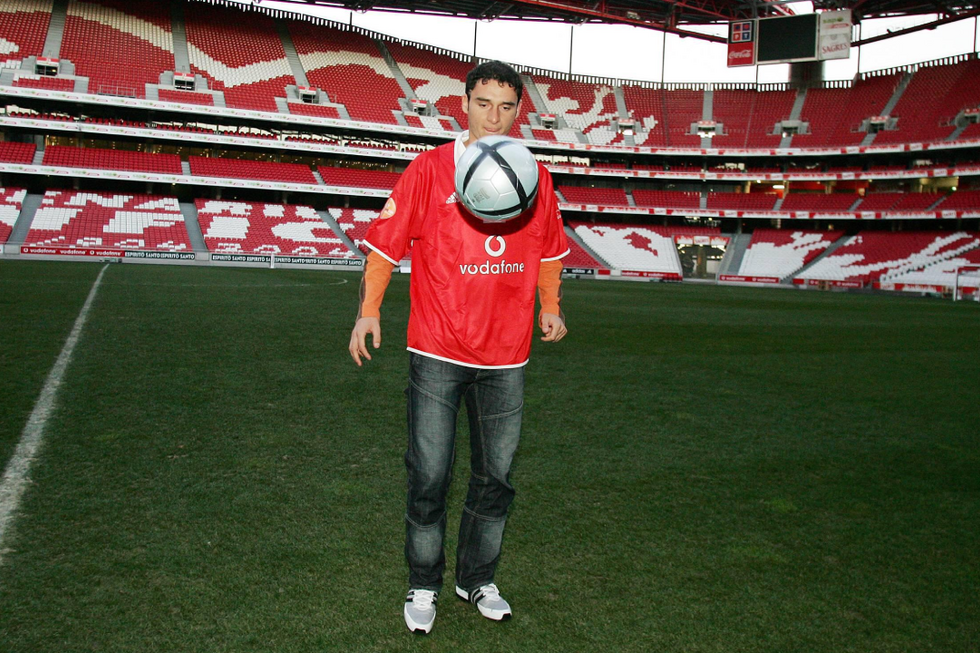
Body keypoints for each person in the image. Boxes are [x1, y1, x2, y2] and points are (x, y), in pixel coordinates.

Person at [348, 60, 569, 635]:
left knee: (496, 477)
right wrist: (369, 311)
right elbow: (385, 246)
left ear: (519, 110)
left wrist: (551, 306)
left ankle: (477, 578)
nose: (492, 116)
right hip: (437, 351)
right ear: (463, 104)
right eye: (482, 103)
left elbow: (548, 252)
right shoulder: (429, 170)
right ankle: (424, 584)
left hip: (507, 358)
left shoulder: (536, 178)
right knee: (429, 475)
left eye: (505, 106)